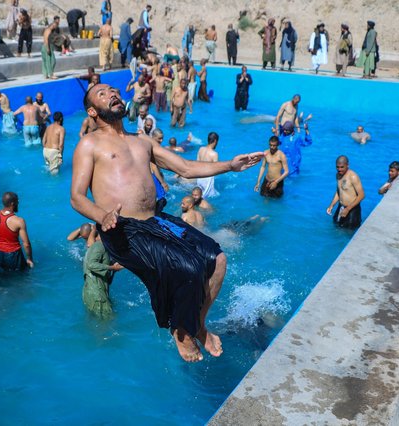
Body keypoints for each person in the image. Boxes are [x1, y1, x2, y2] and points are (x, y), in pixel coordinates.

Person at [71, 83, 263, 361]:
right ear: (92, 111)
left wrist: (229, 166)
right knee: (190, 267)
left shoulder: (142, 141)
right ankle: (181, 331)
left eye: (113, 90)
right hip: (123, 228)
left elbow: (185, 168)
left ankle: (197, 323)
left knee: (217, 259)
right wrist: (102, 216)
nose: (112, 93)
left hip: (155, 221)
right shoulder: (89, 144)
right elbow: (77, 197)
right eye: (102, 94)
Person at [0, 192, 34, 271]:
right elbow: (26, 244)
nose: (18, 203)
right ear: (12, 204)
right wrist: (29, 259)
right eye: (17, 201)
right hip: (13, 255)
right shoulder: (19, 221)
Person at [83, 239, 122, 318]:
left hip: (92, 291)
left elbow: (106, 279)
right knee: (108, 320)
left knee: (96, 319)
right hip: (97, 294)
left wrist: (114, 269)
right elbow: (91, 265)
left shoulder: (98, 246)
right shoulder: (100, 246)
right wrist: (112, 268)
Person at [327, 155, 365, 229]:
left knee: (349, 231)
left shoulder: (353, 177)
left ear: (347, 165)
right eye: (337, 167)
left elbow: (362, 195)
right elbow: (339, 191)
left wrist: (347, 209)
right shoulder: (338, 175)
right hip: (341, 207)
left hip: (352, 209)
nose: (339, 169)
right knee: (336, 225)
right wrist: (331, 205)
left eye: (342, 167)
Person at [196, 131, 220, 198]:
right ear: (215, 141)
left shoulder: (201, 149)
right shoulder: (214, 154)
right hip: (207, 179)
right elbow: (216, 170)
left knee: (198, 196)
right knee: (207, 197)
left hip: (199, 177)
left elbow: (196, 163)